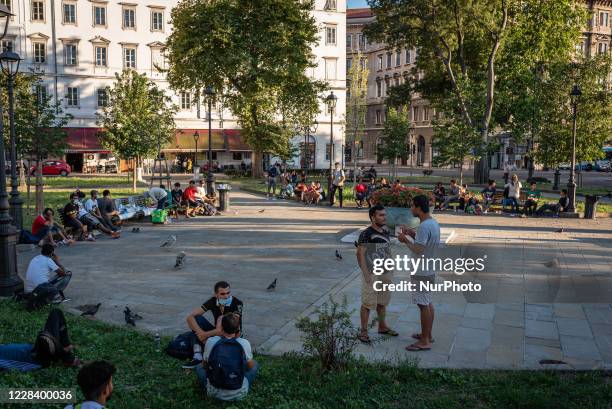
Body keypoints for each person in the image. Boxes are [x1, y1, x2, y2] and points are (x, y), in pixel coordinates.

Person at [398, 195, 440, 351]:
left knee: (423, 305)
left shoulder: (424, 226)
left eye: (412, 206)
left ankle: (424, 341)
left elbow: (419, 249)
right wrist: (412, 234)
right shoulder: (432, 223)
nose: (411, 209)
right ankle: (427, 335)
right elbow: (425, 242)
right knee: (427, 302)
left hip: (421, 270)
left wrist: (405, 240)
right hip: (429, 268)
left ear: (418, 207)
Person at [356, 205, 398, 343]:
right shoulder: (366, 233)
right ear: (373, 217)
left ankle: (382, 326)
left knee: (382, 302)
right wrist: (366, 273)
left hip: (385, 272)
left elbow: (387, 249)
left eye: (385, 215)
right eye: (381, 215)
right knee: (368, 303)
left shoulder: (385, 231)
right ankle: (363, 331)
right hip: (372, 273)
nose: (384, 217)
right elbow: (360, 253)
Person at [195, 313, 258, 401]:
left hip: (214, 392)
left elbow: (204, 365)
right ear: (238, 329)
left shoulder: (211, 341)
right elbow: (250, 366)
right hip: (239, 393)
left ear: (221, 328)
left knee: (198, 367)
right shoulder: (244, 343)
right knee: (255, 365)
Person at [183, 281, 244, 369]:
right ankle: (199, 355)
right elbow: (190, 317)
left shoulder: (237, 303)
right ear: (216, 294)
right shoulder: (212, 301)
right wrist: (200, 332)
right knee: (197, 320)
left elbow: (229, 327)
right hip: (217, 332)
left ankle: (203, 350)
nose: (226, 296)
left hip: (231, 334)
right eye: (222, 294)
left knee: (194, 334)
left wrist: (204, 335)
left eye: (228, 293)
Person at [0, 309, 81, 371]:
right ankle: (66, 356)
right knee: (44, 339)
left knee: (56, 313)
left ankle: (65, 347)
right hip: (37, 358)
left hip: (34, 348)